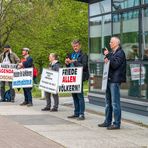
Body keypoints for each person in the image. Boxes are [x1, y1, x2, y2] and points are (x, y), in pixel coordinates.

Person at [98, 37, 126, 130]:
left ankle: (116, 123)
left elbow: (115, 65)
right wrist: (107, 59)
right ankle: (107, 121)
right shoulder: (113, 53)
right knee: (108, 103)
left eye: (111, 42)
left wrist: (108, 56)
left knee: (115, 103)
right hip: (109, 80)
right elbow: (110, 63)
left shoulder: (120, 53)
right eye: (110, 42)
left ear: (116, 43)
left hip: (115, 81)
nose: (109, 43)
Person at [65, 39, 89, 120]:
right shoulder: (71, 54)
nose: (75, 47)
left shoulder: (83, 55)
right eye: (74, 46)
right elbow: (69, 66)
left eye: (76, 46)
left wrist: (73, 61)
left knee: (80, 96)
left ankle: (82, 114)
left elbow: (84, 66)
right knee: (74, 95)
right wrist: (67, 63)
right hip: (72, 78)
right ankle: (76, 113)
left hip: (79, 77)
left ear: (79, 46)